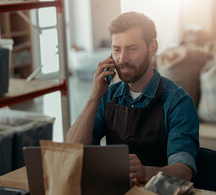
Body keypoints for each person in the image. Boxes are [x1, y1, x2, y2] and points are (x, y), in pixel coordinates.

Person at [67, 12, 199, 182]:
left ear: (153, 47)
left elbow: (184, 171)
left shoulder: (178, 102)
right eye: (116, 50)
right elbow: (73, 150)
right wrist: (94, 97)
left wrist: (146, 172)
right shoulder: (107, 96)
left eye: (132, 49)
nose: (122, 59)